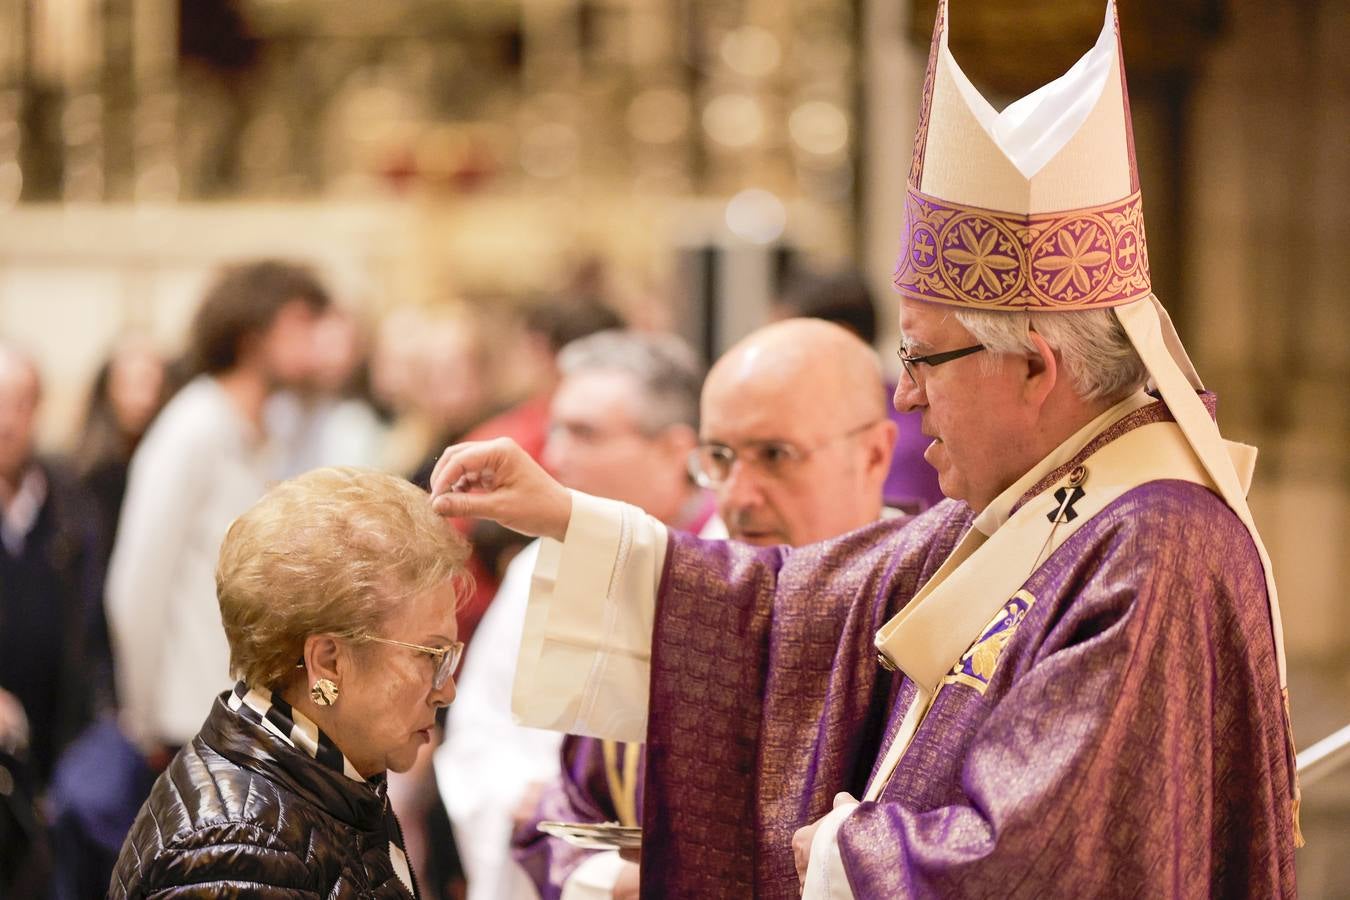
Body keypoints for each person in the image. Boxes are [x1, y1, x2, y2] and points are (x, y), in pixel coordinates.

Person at [428, 2, 1298, 895]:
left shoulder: (1151, 548)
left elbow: (1044, 856)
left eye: (922, 357)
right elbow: (788, 607)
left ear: (1034, 367)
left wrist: (845, 857)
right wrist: (566, 514)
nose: (908, 392)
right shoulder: (1032, 514)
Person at [512, 318, 897, 899]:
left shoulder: (927, 619)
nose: (738, 497)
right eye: (719, 456)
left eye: (775, 455)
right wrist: (612, 883)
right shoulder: (682, 602)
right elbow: (571, 812)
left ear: (873, 454)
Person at [436, 329, 712, 900]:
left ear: (675, 447)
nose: (555, 455)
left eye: (584, 433)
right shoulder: (541, 563)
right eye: (556, 427)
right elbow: (479, 732)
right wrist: (532, 804)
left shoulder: (739, 561)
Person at [109, 467, 472, 896]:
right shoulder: (239, 850)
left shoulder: (334, 781)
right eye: (429, 656)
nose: (445, 689)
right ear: (328, 662)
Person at [106, 260, 330, 763]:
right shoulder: (192, 427)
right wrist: (142, 718)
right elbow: (137, 585)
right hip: (190, 717)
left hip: (247, 713)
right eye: (300, 324)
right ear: (253, 334)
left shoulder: (266, 429)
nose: (315, 341)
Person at [774, 270, 944, 514]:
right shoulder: (809, 420)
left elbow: (899, 542)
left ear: (845, 335)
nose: (782, 363)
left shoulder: (907, 441)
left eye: (790, 344)